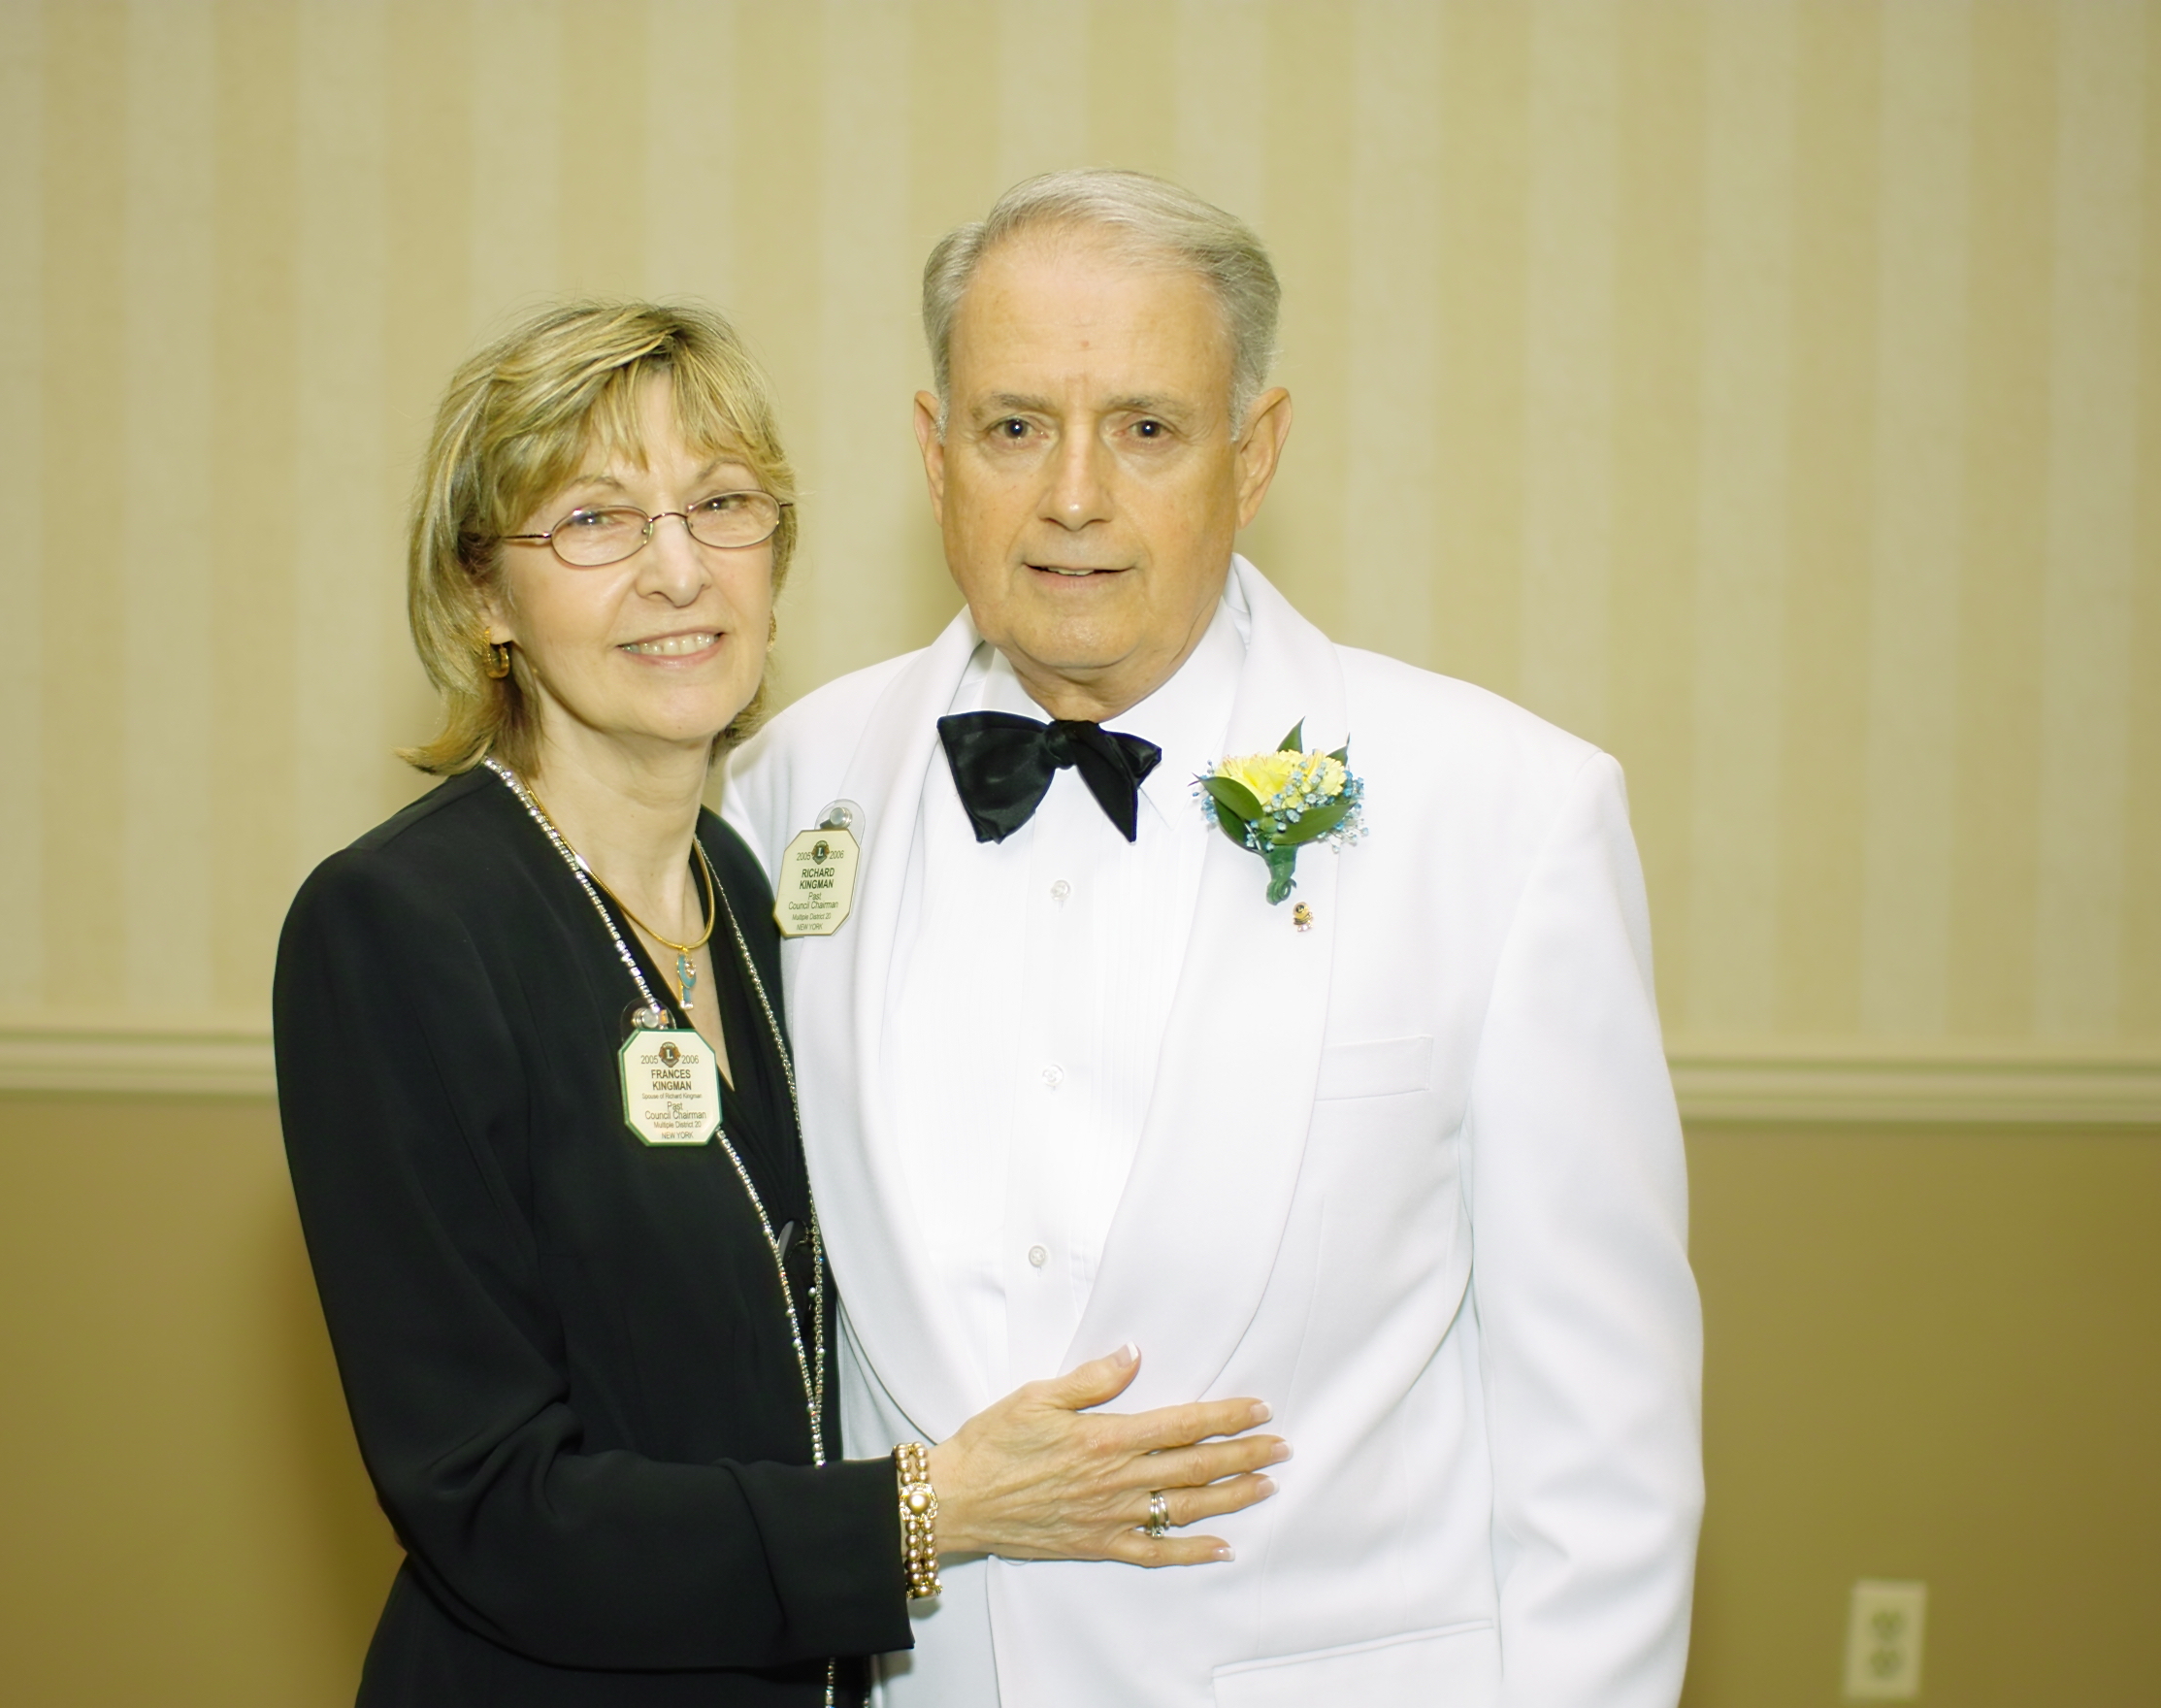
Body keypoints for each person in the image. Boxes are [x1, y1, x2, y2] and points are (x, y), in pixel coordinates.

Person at [722, 172, 1705, 1706]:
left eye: (1147, 428)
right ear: (934, 452)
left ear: (1254, 453)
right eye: (1015, 426)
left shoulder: (1506, 816)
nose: (1074, 496)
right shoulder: (789, 785)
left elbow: (1606, 1443)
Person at [273, 300, 1287, 1708]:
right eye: (594, 522)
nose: (678, 571)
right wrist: (935, 1508)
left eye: (721, 505)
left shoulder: (759, 893)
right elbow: (492, 1505)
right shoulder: (401, 925)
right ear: (482, 597)